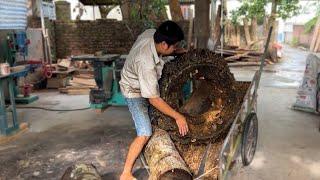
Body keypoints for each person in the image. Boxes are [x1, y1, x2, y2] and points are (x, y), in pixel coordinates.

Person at [119, 21, 189, 180]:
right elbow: (153, 100)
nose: (175, 48)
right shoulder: (146, 64)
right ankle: (125, 173)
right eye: (174, 46)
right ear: (164, 44)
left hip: (143, 81)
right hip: (133, 90)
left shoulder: (152, 33)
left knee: (158, 118)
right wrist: (178, 116)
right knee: (144, 132)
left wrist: (174, 52)